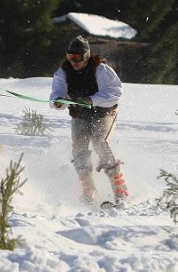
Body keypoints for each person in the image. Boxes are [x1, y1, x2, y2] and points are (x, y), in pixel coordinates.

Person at [49, 36, 129, 208]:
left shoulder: (101, 70)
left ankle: (119, 189)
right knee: (79, 146)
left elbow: (115, 92)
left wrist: (92, 100)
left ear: (86, 56)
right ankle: (89, 190)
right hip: (80, 115)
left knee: (100, 142)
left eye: (78, 58)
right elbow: (57, 93)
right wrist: (58, 101)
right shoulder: (63, 72)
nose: (74, 61)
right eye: (71, 57)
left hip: (104, 113)